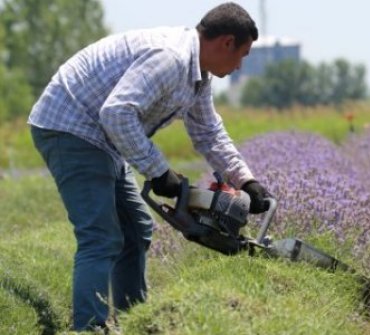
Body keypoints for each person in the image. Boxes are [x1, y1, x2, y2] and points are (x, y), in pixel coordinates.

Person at [28, 2, 270, 331]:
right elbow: (116, 113)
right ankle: (89, 328)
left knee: (136, 228)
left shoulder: (198, 74)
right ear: (226, 42)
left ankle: (134, 320)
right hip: (70, 126)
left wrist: (246, 181)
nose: (241, 65)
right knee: (100, 236)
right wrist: (158, 171)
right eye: (242, 54)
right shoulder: (170, 58)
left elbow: (208, 132)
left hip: (102, 136)